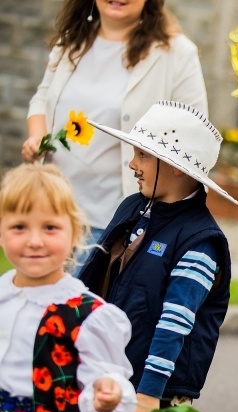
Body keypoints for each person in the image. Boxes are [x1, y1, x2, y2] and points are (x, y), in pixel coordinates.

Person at [78, 101, 235, 412]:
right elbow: (93, 282)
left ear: (178, 167)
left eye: (144, 155)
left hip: (153, 394)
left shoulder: (201, 241)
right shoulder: (133, 207)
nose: (133, 163)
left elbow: (174, 325)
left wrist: (148, 397)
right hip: (104, 377)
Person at [0, 163, 136, 412]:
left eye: (50, 227)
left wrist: (106, 395)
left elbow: (107, 380)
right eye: (18, 227)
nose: (34, 240)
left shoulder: (87, 313)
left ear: (75, 232)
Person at [23, 0, 207, 258]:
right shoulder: (70, 41)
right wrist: (37, 136)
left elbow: (192, 134)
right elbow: (42, 99)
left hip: (113, 224)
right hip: (50, 213)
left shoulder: (176, 53)